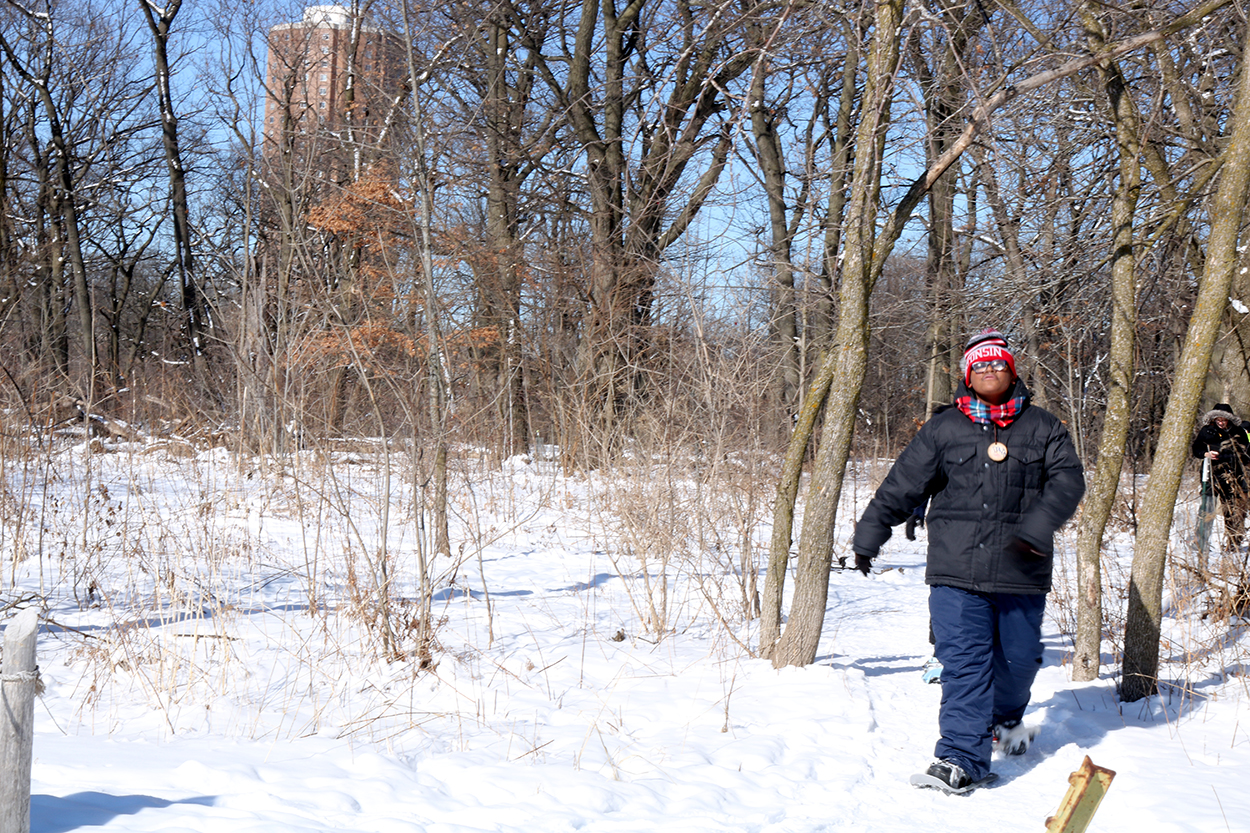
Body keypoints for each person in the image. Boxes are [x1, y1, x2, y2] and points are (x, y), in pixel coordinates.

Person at [849, 329, 1085, 793]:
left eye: (998, 364)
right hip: (956, 570)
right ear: (967, 376)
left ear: (1012, 371)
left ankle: (1004, 721)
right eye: (980, 366)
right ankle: (961, 757)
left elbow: (1068, 482)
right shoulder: (944, 428)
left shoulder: (1043, 426)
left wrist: (1037, 528)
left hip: (1021, 570)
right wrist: (870, 531)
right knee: (965, 665)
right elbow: (902, 485)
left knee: (1018, 664)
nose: (989, 371)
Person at [1190, 403, 1250, 551]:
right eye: (1218, 419)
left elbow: (1246, 453)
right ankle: (1200, 542)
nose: (1221, 422)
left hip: (1234, 477)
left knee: (1232, 510)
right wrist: (1206, 454)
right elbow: (1196, 448)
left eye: (1224, 420)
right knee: (1207, 508)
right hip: (1211, 476)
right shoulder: (1207, 431)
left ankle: (1233, 543)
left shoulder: (1239, 432)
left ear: (1229, 420)